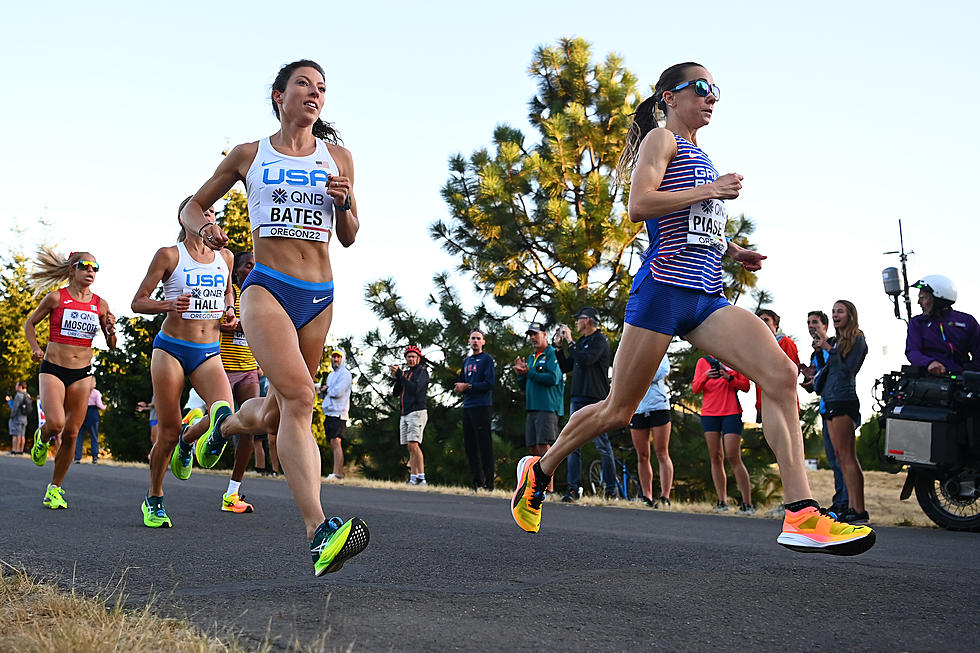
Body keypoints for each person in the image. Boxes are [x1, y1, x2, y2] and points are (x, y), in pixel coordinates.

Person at [511, 61, 874, 555]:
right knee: (619, 411)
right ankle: (541, 470)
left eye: (715, 90)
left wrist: (731, 251)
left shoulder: (700, 154)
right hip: (662, 293)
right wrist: (712, 189)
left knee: (782, 376)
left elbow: (692, 225)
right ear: (668, 97)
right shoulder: (661, 141)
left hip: (706, 296)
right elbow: (640, 206)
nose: (711, 98)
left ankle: (801, 514)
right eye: (701, 88)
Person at [178, 59, 369, 575]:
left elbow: (349, 235)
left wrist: (347, 201)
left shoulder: (339, 157)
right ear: (279, 95)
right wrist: (204, 228)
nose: (315, 93)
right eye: (304, 84)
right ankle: (318, 531)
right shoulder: (248, 155)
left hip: (320, 295)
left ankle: (216, 428)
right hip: (267, 289)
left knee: (278, 412)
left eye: (322, 87)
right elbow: (189, 208)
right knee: (301, 398)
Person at [132, 197, 248, 527]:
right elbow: (138, 302)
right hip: (171, 349)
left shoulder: (225, 257)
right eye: (202, 212)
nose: (208, 217)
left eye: (212, 213)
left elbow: (228, 294)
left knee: (225, 412)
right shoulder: (170, 255)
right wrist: (168, 304)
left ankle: (189, 441)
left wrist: (229, 310)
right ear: (186, 219)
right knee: (166, 431)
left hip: (208, 352)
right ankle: (154, 498)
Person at [24, 248, 117, 509]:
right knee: (55, 424)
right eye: (85, 266)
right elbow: (29, 324)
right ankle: (42, 438)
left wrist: (110, 329)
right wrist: (35, 347)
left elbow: (111, 345)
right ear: (72, 270)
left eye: (95, 268)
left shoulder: (100, 304)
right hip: (53, 367)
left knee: (73, 433)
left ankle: (55, 488)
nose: (91, 271)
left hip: (82, 373)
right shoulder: (56, 298)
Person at [813, 300, 869, 525]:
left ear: (850, 315)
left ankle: (859, 508)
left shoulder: (858, 339)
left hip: (845, 400)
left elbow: (848, 370)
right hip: (830, 399)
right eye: (833, 311)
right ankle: (850, 506)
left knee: (848, 456)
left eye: (840, 311)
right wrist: (820, 351)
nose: (835, 315)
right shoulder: (835, 341)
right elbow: (825, 371)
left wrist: (830, 350)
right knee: (839, 456)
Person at [554, 307, 617, 501]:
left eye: (578, 319)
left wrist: (571, 341)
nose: (575, 323)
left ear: (587, 320)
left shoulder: (600, 340)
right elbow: (567, 366)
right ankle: (573, 489)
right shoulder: (582, 342)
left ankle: (611, 490)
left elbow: (587, 359)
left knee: (602, 445)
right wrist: (558, 348)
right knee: (573, 444)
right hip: (578, 397)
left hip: (596, 398)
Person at [219, 250, 262, 511]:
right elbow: (213, 321)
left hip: (248, 369)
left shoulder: (259, 295)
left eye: (256, 266)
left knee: (250, 426)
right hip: (221, 367)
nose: (252, 269)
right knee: (220, 419)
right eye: (248, 265)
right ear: (237, 271)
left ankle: (232, 493)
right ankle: (188, 437)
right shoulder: (228, 294)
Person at [692, 356, 754, 513]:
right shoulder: (703, 362)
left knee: (733, 456)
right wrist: (706, 376)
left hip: (731, 412)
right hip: (709, 413)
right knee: (715, 457)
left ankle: (747, 503)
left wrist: (729, 377)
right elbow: (695, 388)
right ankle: (722, 501)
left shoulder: (735, 358)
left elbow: (746, 386)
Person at [801, 310, 848, 516]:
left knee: (843, 456)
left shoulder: (836, 344)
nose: (812, 326)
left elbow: (842, 369)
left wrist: (824, 347)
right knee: (832, 458)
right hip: (825, 407)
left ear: (825, 326)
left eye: (815, 322)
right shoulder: (815, 353)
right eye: (809, 323)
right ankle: (840, 500)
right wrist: (808, 377)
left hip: (840, 405)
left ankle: (849, 501)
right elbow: (816, 384)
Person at [514, 322, 564, 494]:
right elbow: (524, 384)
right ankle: (535, 485)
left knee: (545, 446)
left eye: (535, 334)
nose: (532, 338)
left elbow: (553, 378)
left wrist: (530, 373)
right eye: (530, 335)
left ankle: (548, 488)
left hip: (548, 407)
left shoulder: (552, 354)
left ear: (544, 334)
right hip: (532, 407)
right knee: (534, 447)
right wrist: (520, 374)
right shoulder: (531, 357)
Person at [906, 275, 980, 375]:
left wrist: (972, 377)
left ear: (938, 299)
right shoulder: (917, 322)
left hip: (962, 381)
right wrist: (930, 363)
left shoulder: (967, 321)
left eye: (923, 298)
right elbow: (912, 351)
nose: (919, 302)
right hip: (929, 381)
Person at [454, 329, 496, 491]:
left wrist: (469, 386)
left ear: (483, 342)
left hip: (482, 406)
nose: (475, 341)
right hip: (468, 406)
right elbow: (463, 381)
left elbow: (489, 383)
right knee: (470, 444)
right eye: (473, 338)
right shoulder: (467, 361)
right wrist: (460, 386)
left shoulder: (487, 360)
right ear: (469, 341)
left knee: (484, 444)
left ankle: (489, 482)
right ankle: (476, 481)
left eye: (478, 338)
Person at [629, 357, 673, 507]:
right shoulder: (632, 350)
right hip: (638, 407)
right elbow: (626, 374)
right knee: (642, 455)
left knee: (662, 452)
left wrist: (640, 373)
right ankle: (647, 496)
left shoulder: (660, 350)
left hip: (659, 406)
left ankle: (665, 497)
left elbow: (662, 372)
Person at [754, 309, 800, 423]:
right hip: (764, 403)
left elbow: (792, 372)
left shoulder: (785, 342)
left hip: (783, 402)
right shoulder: (756, 348)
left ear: (775, 324)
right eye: (759, 320)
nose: (762, 323)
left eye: (766, 320)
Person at [392, 345, 429, 485]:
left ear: (418, 358)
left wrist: (401, 376)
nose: (411, 359)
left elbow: (415, 389)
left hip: (417, 411)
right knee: (409, 445)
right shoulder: (405, 374)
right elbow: (396, 392)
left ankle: (421, 477)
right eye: (409, 357)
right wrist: (398, 377)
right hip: (405, 412)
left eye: (414, 356)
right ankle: (414, 477)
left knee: (414, 444)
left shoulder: (422, 372)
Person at [322, 349, 352, 481]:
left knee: (336, 441)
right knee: (332, 443)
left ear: (343, 358)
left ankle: (338, 473)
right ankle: (336, 472)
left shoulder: (346, 374)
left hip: (339, 413)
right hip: (329, 411)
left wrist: (327, 389)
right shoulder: (331, 375)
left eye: (338, 357)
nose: (335, 359)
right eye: (334, 357)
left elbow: (338, 392)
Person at [74, 382, 106, 463]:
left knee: (79, 437)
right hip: (93, 414)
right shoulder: (96, 392)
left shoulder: (81, 391)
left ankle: (77, 457)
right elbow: (99, 404)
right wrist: (104, 407)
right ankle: (95, 457)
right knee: (94, 436)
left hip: (82, 413)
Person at [7, 382, 31, 455]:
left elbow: (15, 407)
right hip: (24, 418)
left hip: (17, 418)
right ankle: (20, 450)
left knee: (15, 434)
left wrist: (12, 416)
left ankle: (15, 450)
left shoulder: (19, 395)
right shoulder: (27, 395)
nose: (15, 387)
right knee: (22, 435)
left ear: (20, 387)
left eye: (16, 385)